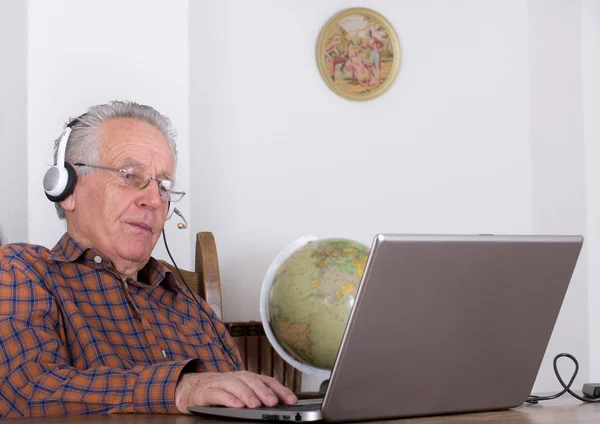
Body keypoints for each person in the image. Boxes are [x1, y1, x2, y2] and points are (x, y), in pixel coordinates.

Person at [0, 101, 298, 417]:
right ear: (67, 188)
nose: (155, 201)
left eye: (164, 186)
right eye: (130, 176)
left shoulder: (189, 304)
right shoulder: (22, 271)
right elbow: (25, 391)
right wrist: (182, 389)